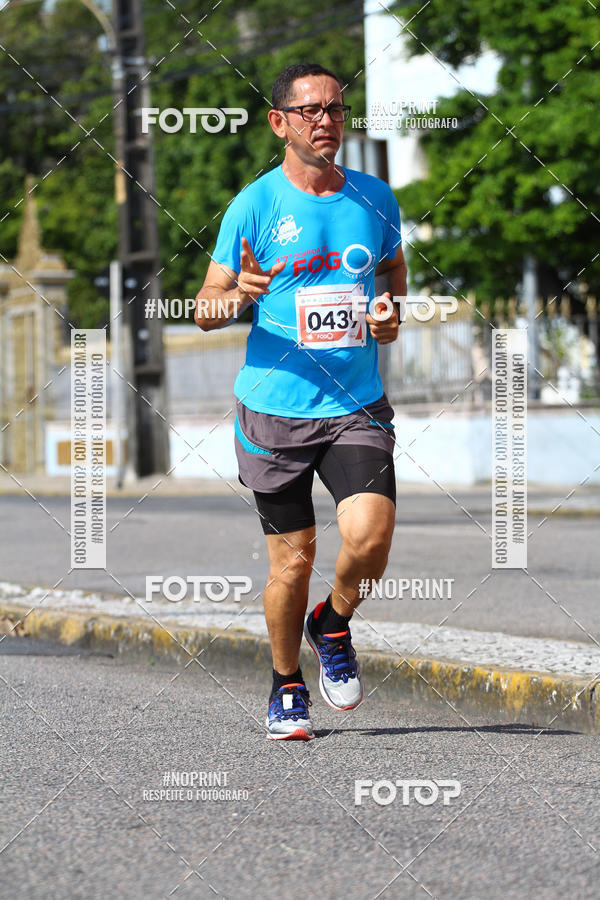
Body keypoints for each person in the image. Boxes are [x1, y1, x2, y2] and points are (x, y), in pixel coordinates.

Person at [195, 62, 407, 740]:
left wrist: (389, 312)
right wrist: (240, 298)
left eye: (337, 109)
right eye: (311, 109)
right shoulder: (254, 205)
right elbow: (204, 307)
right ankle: (286, 682)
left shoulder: (375, 198)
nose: (326, 121)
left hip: (356, 403)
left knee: (370, 538)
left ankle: (333, 623)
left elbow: (393, 271)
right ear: (279, 122)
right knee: (293, 560)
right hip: (275, 409)